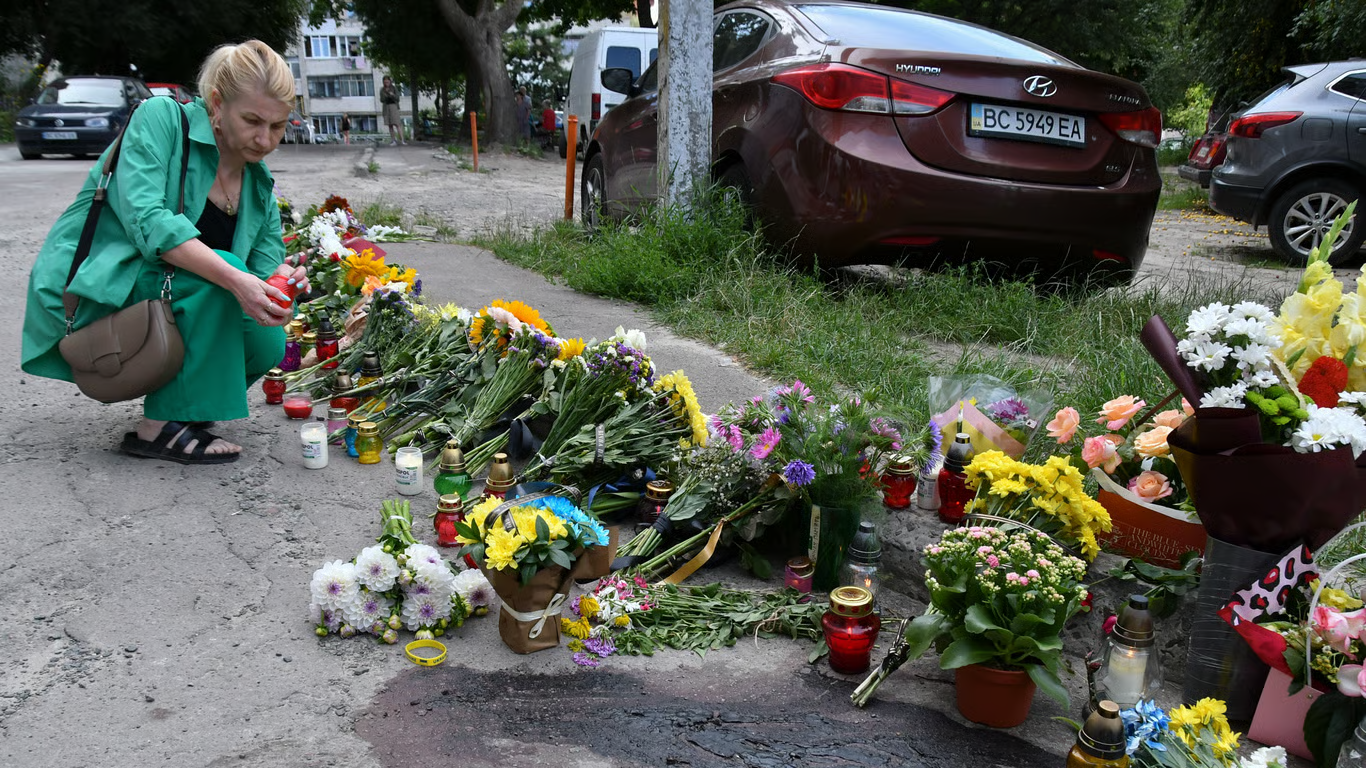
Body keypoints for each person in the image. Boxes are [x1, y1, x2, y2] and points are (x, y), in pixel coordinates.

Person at [20, 40, 309, 465]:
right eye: (252, 121)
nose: (265, 139)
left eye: (278, 126)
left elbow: (265, 267)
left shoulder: (258, 181)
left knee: (266, 340)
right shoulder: (162, 120)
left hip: (167, 292)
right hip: (102, 283)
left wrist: (282, 290)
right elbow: (148, 221)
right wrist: (236, 279)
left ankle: (191, 409)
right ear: (217, 104)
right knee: (224, 271)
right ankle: (158, 429)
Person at [381, 76, 404, 146]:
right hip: (386, 107)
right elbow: (381, 100)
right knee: (390, 125)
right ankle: (393, 140)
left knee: (397, 124)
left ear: (390, 81)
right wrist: (385, 96)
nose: (386, 83)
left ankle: (402, 140)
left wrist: (392, 94)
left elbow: (398, 98)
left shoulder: (394, 88)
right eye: (385, 82)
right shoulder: (382, 89)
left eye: (387, 82)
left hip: (394, 106)